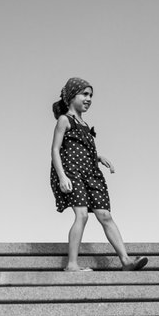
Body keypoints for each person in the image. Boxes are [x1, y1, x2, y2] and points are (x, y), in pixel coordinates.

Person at [50, 77, 148, 272]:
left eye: (91, 95)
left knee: (105, 215)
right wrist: (62, 176)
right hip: (72, 172)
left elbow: (81, 148)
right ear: (71, 96)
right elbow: (55, 150)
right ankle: (72, 264)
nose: (88, 99)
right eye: (84, 94)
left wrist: (98, 157)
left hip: (91, 174)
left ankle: (126, 260)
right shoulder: (64, 120)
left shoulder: (84, 125)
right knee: (82, 215)